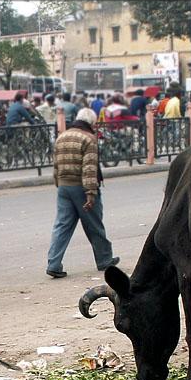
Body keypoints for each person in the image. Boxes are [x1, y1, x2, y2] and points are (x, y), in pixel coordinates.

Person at [46, 107, 118, 279]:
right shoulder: (89, 139)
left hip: (64, 187)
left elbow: (56, 165)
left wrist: (59, 183)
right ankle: (104, 259)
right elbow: (89, 169)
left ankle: (53, 263)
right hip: (81, 187)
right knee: (94, 224)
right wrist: (91, 193)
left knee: (62, 226)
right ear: (92, 122)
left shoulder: (62, 136)